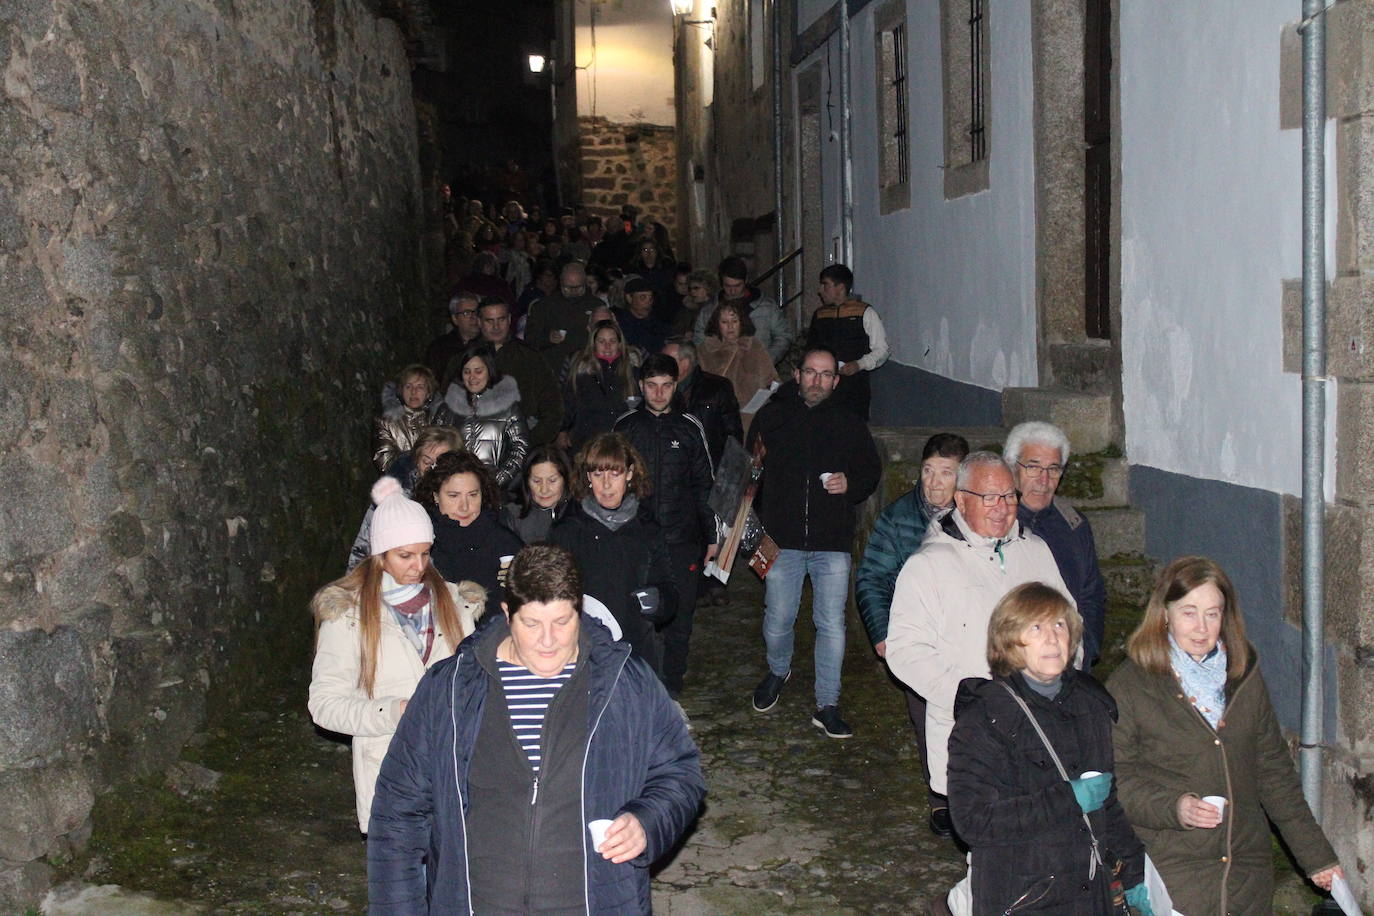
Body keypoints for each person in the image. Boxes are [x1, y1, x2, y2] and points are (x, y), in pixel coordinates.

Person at [367, 543, 706, 913]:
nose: (548, 641)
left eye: (562, 622)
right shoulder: (448, 690)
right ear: (507, 613)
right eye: (531, 624)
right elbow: (397, 813)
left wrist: (647, 821)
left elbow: (681, 774)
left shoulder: (624, 683)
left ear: (579, 611)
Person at [1107, 556, 1343, 916]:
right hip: (1174, 873)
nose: (1201, 627)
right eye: (1189, 612)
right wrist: (1176, 806)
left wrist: (1317, 858)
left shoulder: (1243, 678)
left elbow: (1274, 774)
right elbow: (1116, 780)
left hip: (1245, 874)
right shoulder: (1132, 685)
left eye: (1212, 613)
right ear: (1164, 613)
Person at [885, 451, 1073, 857]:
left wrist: (1066, 676)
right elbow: (905, 649)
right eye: (989, 497)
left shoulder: (1035, 551)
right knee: (991, 855)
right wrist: (964, 692)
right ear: (960, 499)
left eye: (1009, 496)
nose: (1002, 508)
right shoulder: (928, 566)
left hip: (1040, 726)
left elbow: (1069, 621)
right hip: (973, 730)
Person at [945, 583, 1149, 916]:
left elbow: (1106, 803)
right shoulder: (986, 717)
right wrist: (1067, 799)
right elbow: (973, 821)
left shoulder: (1090, 704)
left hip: (1088, 895)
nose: (1052, 638)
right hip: (1022, 898)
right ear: (1009, 641)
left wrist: (1135, 875)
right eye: (1036, 627)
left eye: (1059, 625)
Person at [308, 477, 478, 834]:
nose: (418, 566)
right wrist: (393, 711)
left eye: (424, 553)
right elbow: (323, 705)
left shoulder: (457, 605)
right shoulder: (348, 615)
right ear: (381, 556)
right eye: (405, 555)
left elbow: (476, 687)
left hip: (452, 780)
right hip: (390, 780)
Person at [746, 346, 881, 738]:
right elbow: (749, 473)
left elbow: (870, 471)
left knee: (831, 625)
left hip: (831, 541)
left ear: (836, 381)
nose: (817, 381)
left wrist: (850, 484)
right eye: (810, 372)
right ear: (798, 375)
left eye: (826, 375)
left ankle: (827, 703)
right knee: (777, 620)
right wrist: (748, 531)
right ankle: (778, 670)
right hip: (779, 540)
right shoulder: (771, 418)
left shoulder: (850, 423)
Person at [855, 432, 970, 810]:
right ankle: (939, 797)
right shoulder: (898, 517)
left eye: (946, 473)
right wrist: (883, 632)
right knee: (927, 717)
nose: (934, 482)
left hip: (964, 636)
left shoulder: (975, 517)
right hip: (918, 637)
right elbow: (872, 576)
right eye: (928, 471)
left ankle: (971, 793)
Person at [614, 354, 717, 699]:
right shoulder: (626, 427)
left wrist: (713, 536)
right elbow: (610, 482)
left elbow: (706, 486)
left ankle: (672, 685)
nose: (659, 393)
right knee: (639, 613)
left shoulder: (690, 427)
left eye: (666, 386)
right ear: (641, 387)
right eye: (652, 386)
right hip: (637, 538)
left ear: (676, 386)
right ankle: (640, 684)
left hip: (681, 538)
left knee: (680, 616)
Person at [550, 433, 680, 675]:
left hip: (637, 653)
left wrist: (660, 600)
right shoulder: (568, 530)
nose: (606, 485)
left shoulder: (647, 529)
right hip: (584, 654)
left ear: (629, 474)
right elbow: (549, 594)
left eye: (615, 473)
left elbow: (669, 587)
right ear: (588, 477)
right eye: (598, 474)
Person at [1005, 421, 1108, 669]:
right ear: (1011, 468)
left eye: (1053, 469)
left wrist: (1085, 648)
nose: (1044, 479)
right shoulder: (996, 522)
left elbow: (1091, 594)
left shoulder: (1073, 525)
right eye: (1033, 467)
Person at [414, 451, 522, 619]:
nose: (464, 506)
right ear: (436, 496)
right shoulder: (420, 542)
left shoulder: (504, 542)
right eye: (453, 496)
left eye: (473, 495)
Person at [347, 427, 463, 571]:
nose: (432, 469)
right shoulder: (394, 494)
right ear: (416, 459)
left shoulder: (465, 494)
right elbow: (365, 543)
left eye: (440, 463)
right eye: (426, 462)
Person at [431, 343, 529, 488]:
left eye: (478, 371)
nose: (472, 377)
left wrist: (495, 482)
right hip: (453, 489)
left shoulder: (508, 407)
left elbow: (521, 447)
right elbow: (432, 445)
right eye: (466, 372)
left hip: (493, 493)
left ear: (489, 371)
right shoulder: (448, 408)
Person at [804, 264, 889, 420]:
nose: (820, 290)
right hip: (823, 387)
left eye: (825, 285)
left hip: (854, 389)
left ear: (840, 287)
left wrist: (859, 364)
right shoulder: (820, 315)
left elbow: (882, 350)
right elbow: (810, 350)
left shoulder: (864, 312)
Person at [478, 298, 563, 447]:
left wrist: (530, 440)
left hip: (521, 441)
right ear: (479, 322)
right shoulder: (465, 357)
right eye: (489, 321)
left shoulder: (530, 357)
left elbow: (552, 406)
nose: (496, 327)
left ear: (510, 319)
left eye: (501, 319)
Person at [692, 255, 795, 363]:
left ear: (745, 281)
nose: (732, 291)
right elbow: (699, 340)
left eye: (737, 286)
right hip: (721, 371)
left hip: (757, 369)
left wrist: (766, 359)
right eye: (728, 286)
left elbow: (783, 336)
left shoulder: (766, 307)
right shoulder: (709, 309)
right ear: (721, 283)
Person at [560, 318, 641, 452]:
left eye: (612, 341)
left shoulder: (633, 372)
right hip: (588, 443)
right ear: (593, 343)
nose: (607, 346)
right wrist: (562, 430)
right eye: (601, 341)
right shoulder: (581, 373)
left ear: (620, 343)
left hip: (623, 442)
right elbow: (568, 404)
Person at [698, 300, 779, 433]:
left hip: (751, 418)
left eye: (734, 321)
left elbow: (772, 380)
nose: (730, 327)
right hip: (717, 419)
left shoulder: (755, 347)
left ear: (742, 322)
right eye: (724, 322)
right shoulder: (705, 351)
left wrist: (765, 398)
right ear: (717, 325)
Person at [663, 339, 742, 468]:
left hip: (709, 466)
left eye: (666, 361)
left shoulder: (717, 388)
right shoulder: (660, 391)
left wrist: (727, 471)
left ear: (685, 364)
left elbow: (733, 435)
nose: (660, 366)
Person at [525, 260, 605, 372]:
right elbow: (529, 339)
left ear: (584, 283)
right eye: (568, 287)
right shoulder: (544, 306)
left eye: (577, 287)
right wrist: (547, 338)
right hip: (555, 370)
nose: (573, 291)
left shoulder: (597, 306)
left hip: (588, 369)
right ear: (560, 283)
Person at [502, 444, 574, 543]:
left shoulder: (580, 514)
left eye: (552, 481)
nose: (544, 490)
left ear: (565, 480)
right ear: (526, 482)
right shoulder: (513, 517)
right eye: (536, 481)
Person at [372, 364, 438, 472]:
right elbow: (385, 461)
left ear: (428, 393)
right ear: (401, 391)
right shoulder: (386, 422)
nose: (413, 392)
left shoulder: (439, 420)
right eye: (408, 386)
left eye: (420, 387)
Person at [422, 292, 482, 383]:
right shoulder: (440, 348)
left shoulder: (488, 344)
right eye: (466, 313)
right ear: (455, 319)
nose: (473, 317)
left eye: (476, 312)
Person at [615, 277, 671, 353]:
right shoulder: (619, 324)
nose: (648, 302)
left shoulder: (659, 323)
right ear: (629, 298)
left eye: (650, 298)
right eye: (642, 297)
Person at [672, 269, 716, 341]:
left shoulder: (716, 308)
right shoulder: (687, 308)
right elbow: (676, 331)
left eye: (696, 288)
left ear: (708, 288)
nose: (692, 291)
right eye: (690, 289)